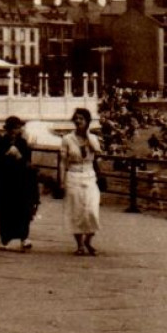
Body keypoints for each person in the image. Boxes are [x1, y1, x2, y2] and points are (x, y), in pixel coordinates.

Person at [0, 116, 38, 251]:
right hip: (4, 180)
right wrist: (5, 155)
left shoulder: (23, 143)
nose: (16, 131)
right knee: (4, 209)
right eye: (14, 128)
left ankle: (24, 237)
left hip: (20, 180)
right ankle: (5, 238)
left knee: (23, 208)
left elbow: (28, 163)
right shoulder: (0, 142)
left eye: (18, 128)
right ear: (8, 129)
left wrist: (19, 157)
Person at [63, 107, 103, 255]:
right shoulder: (67, 139)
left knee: (92, 210)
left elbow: (98, 152)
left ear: (87, 122)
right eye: (77, 118)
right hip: (73, 175)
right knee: (76, 211)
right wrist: (61, 180)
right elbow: (62, 161)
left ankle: (88, 240)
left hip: (89, 175)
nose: (78, 121)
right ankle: (79, 244)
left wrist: (87, 137)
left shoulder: (92, 138)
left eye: (82, 119)